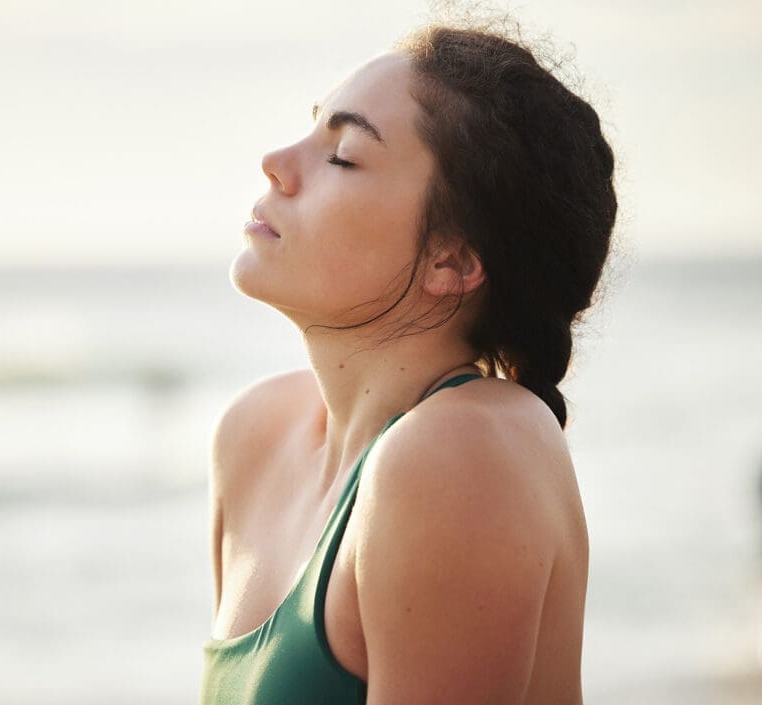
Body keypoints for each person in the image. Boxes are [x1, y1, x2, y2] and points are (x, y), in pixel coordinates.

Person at [200, 18, 616, 705]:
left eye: (343, 154)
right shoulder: (254, 435)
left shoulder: (461, 454)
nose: (277, 159)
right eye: (311, 126)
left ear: (450, 259)